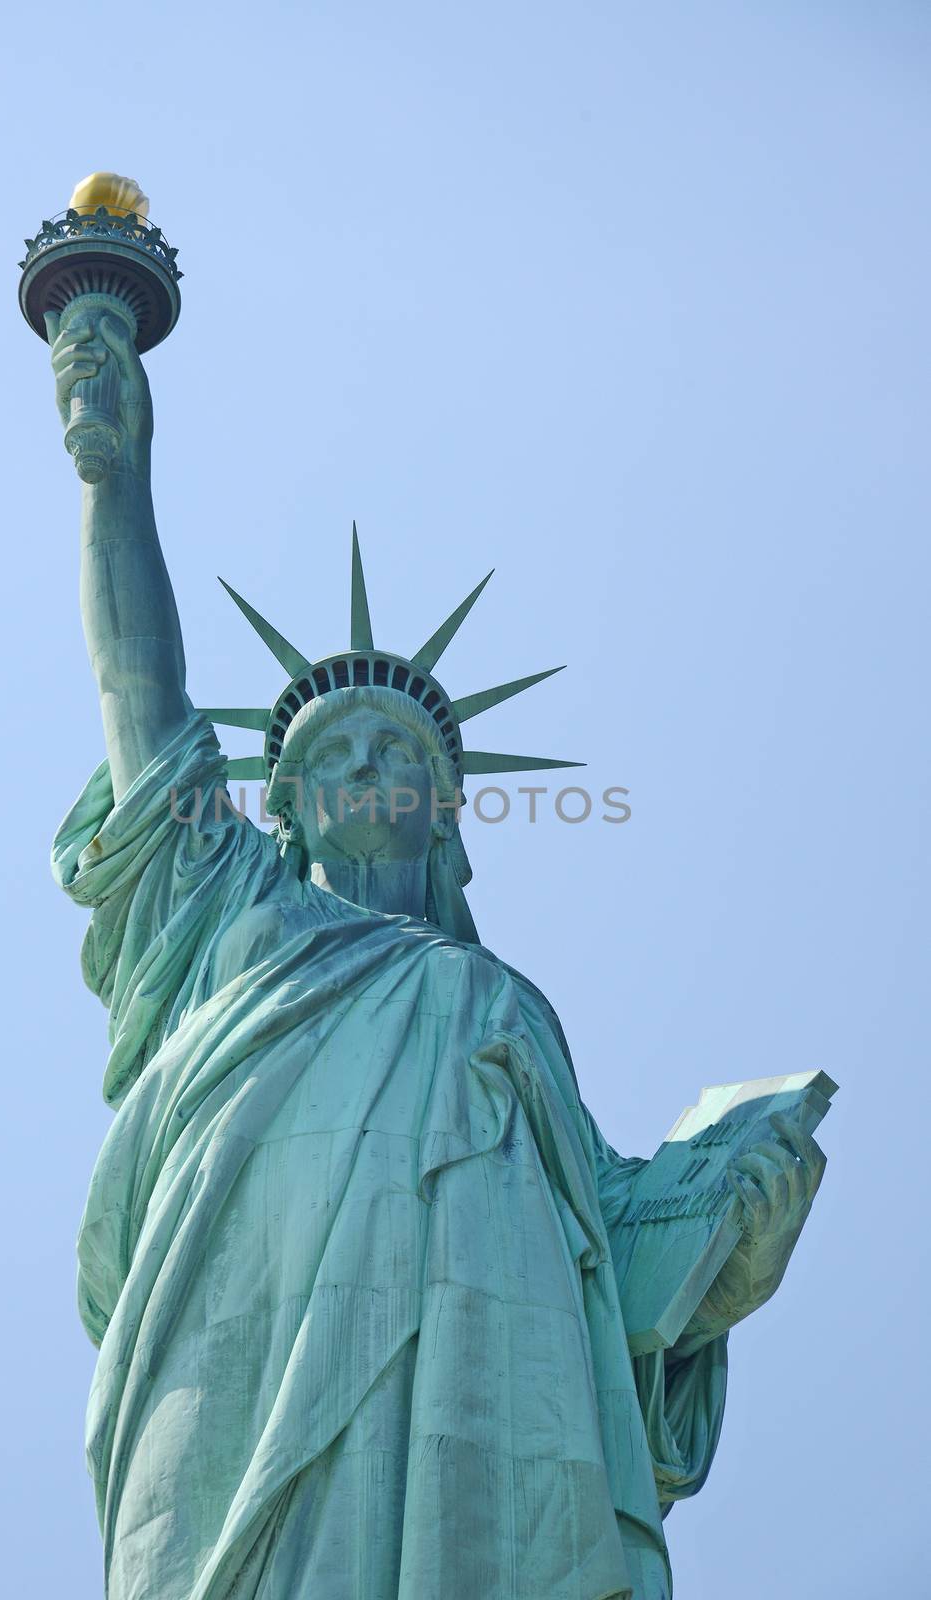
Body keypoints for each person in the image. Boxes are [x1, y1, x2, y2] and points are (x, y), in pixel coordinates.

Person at [47, 312, 825, 1600]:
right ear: (280, 810)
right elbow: (144, 700)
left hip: (494, 1376)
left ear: (446, 810)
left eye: (398, 752)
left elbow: (615, 1261)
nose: (366, 766)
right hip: (241, 1331)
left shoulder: (505, 1008)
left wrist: (732, 1224)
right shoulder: (232, 918)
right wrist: (115, 482)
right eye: (330, 755)